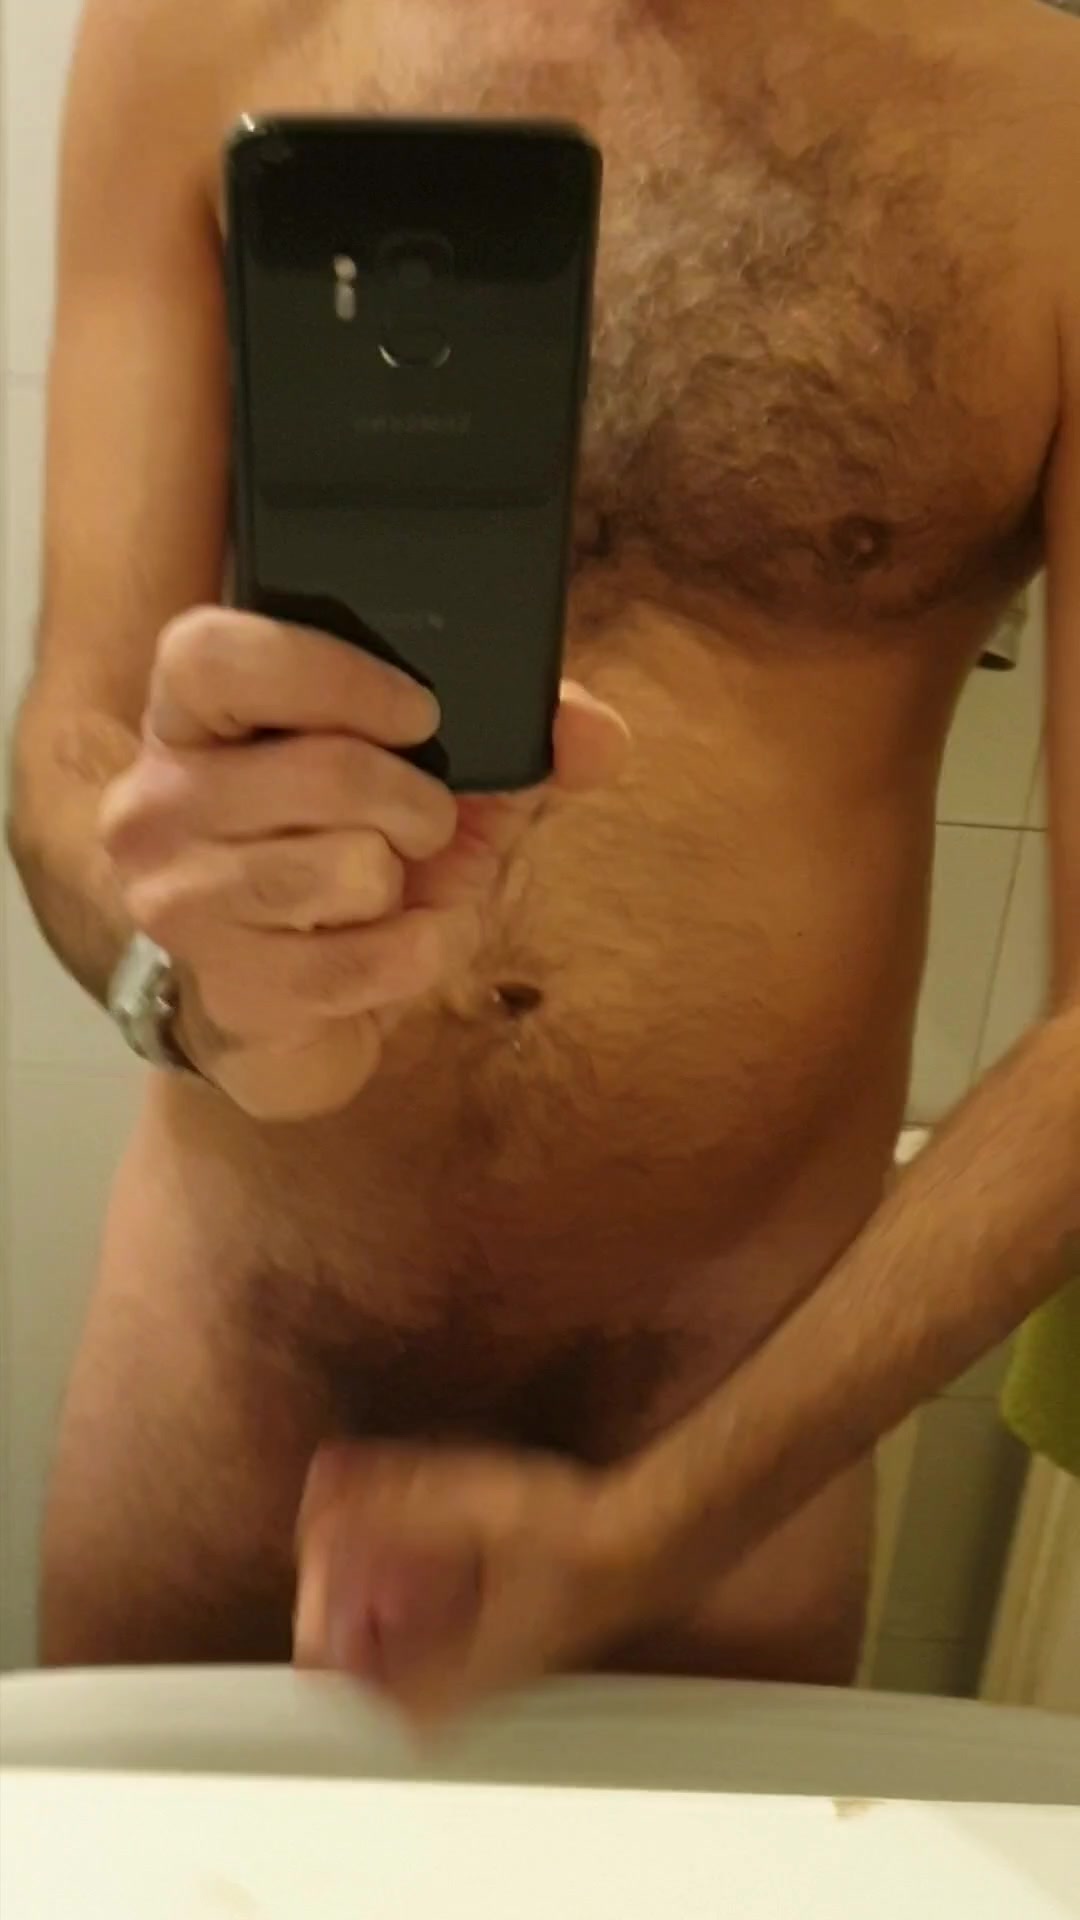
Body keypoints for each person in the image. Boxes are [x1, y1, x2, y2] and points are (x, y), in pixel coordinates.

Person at [7, 0, 1079, 1722]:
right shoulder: (199, 29)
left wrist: (658, 1529)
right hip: (230, 1356)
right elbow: (73, 741)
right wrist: (189, 988)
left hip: (725, 1433)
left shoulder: (1050, 130)